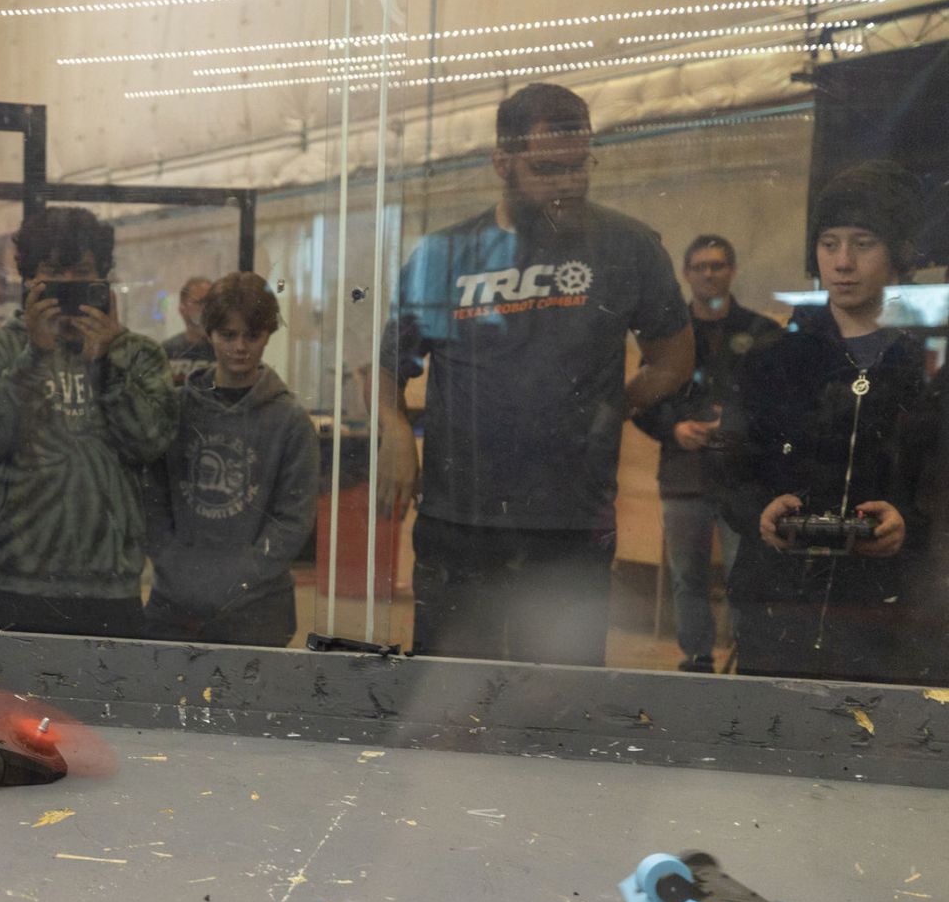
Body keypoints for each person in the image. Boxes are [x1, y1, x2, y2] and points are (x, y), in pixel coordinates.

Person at [377, 82, 694, 666]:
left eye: (578, 166)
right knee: (449, 688)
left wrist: (609, 407)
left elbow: (674, 359)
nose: (566, 184)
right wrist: (395, 432)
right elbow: (386, 367)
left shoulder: (627, 246)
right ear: (502, 162)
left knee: (556, 697)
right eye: (547, 169)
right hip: (460, 517)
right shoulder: (443, 255)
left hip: (569, 520)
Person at [717, 161, 936, 683]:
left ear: (900, 253)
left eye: (863, 243)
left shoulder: (930, 368)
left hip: (887, 619)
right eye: (829, 243)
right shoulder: (771, 360)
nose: (842, 263)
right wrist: (759, 512)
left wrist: (910, 524)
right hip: (777, 609)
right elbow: (728, 470)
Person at [0, 207, 177, 637]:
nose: (67, 286)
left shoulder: (138, 354)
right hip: (15, 580)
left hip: (110, 584)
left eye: (81, 274)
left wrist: (107, 365)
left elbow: (150, 443)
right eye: (53, 274)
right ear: (29, 278)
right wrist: (35, 355)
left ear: (103, 278)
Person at [631, 235, 784, 672]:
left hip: (744, 479)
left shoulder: (762, 332)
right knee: (687, 578)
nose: (709, 274)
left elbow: (781, 404)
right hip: (684, 476)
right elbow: (640, 402)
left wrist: (736, 426)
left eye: (717, 265)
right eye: (700, 266)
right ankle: (696, 661)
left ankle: (750, 660)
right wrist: (673, 429)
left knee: (746, 576)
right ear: (686, 273)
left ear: (731, 270)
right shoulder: (665, 337)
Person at [144, 272, 319, 646]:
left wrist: (247, 573)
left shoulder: (290, 421)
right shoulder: (175, 410)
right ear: (209, 333)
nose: (240, 347)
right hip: (175, 603)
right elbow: (150, 498)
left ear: (268, 335)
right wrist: (172, 561)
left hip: (258, 608)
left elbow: (294, 518)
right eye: (228, 335)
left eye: (252, 335)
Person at [160, 276, 214, 387]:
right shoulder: (167, 351)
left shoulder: (226, 349)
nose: (206, 308)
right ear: (182, 309)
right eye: (200, 302)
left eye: (211, 303)